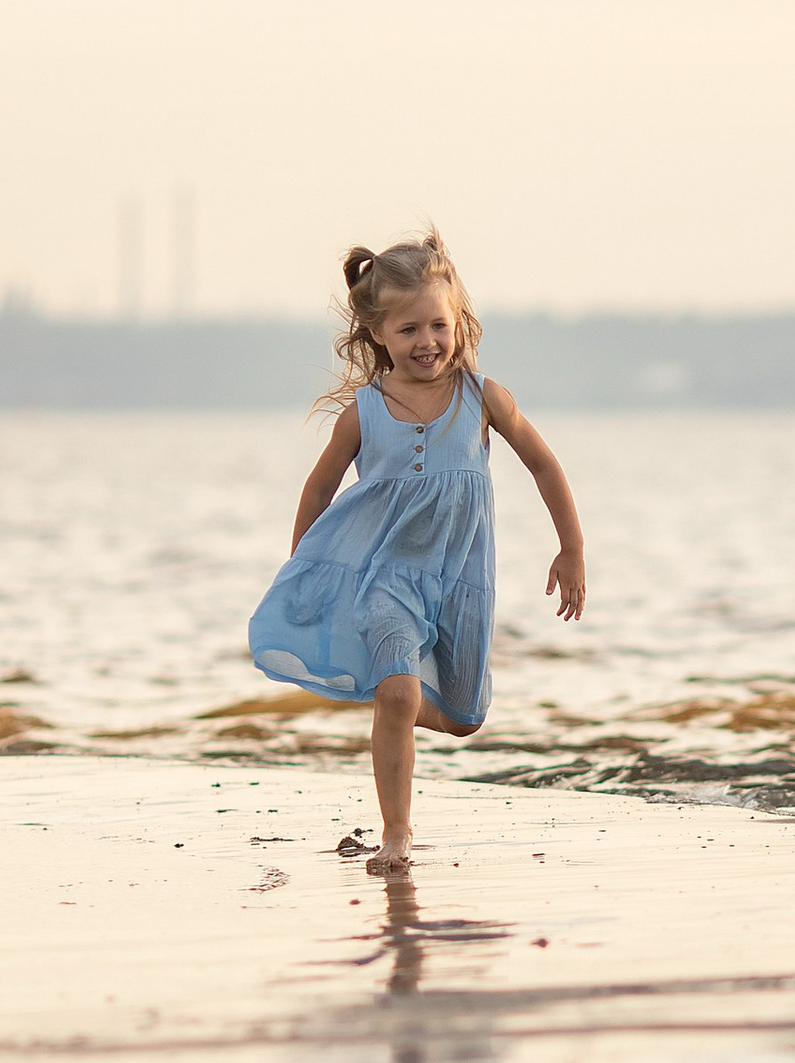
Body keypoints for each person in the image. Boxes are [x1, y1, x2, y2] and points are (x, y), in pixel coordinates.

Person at [248, 230, 585, 867]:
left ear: (459, 321)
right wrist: (308, 571)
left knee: (464, 716)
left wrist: (571, 548)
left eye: (438, 325)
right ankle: (396, 835)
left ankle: (390, 707)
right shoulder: (366, 410)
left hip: (461, 580)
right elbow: (319, 486)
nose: (426, 342)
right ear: (378, 334)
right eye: (407, 330)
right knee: (401, 692)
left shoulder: (484, 398)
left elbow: (543, 464)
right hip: (385, 578)